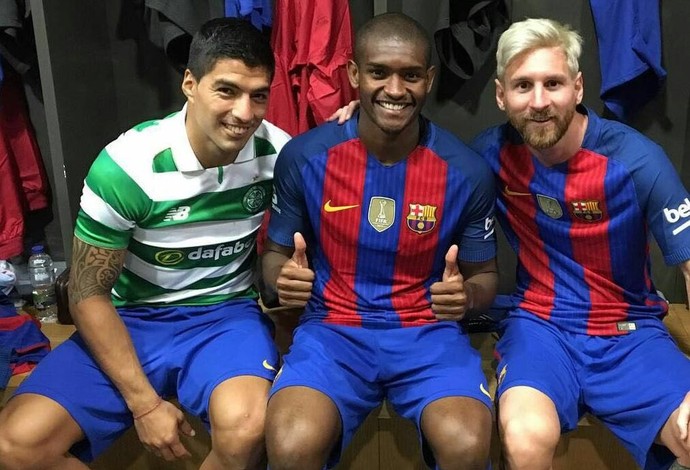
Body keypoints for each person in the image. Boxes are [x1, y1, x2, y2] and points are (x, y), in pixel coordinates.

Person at [0, 17, 291, 470]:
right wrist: (145, 404)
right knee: (14, 445)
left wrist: (355, 117)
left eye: (259, 95)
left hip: (224, 315)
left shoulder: (279, 153)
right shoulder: (128, 166)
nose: (244, 113)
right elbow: (86, 293)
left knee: (250, 428)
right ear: (190, 84)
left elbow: (340, 159)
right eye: (227, 90)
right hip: (132, 318)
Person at [262, 12, 499, 470]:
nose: (395, 89)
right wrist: (282, 280)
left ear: (429, 79)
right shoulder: (305, 156)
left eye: (410, 75)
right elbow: (273, 257)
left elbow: (485, 275)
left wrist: (466, 297)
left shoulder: (466, 171)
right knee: (292, 445)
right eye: (378, 73)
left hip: (426, 332)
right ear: (354, 74)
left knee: (467, 445)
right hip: (332, 329)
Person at [469, 18, 690, 470]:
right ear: (500, 95)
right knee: (525, 439)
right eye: (523, 86)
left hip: (628, 331)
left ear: (578, 87)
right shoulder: (488, 155)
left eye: (553, 83)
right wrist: (357, 123)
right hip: (540, 328)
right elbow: (416, 159)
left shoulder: (635, 160)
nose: (539, 102)